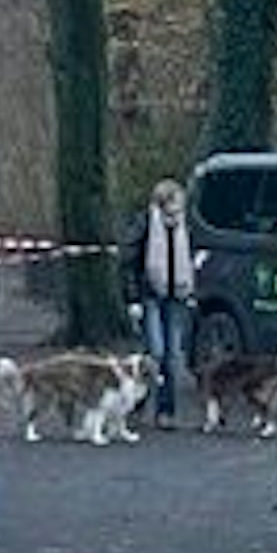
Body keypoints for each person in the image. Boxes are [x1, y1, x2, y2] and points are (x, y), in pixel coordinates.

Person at [123, 179, 194, 429]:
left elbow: (190, 258)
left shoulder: (185, 226)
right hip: (150, 294)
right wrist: (132, 298)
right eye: (175, 202)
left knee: (172, 355)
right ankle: (136, 403)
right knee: (155, 351)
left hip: (176, 296)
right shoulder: (145, 224)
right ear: (164, 203)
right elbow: (129, 261)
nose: (179, 208)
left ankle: (166, 411)